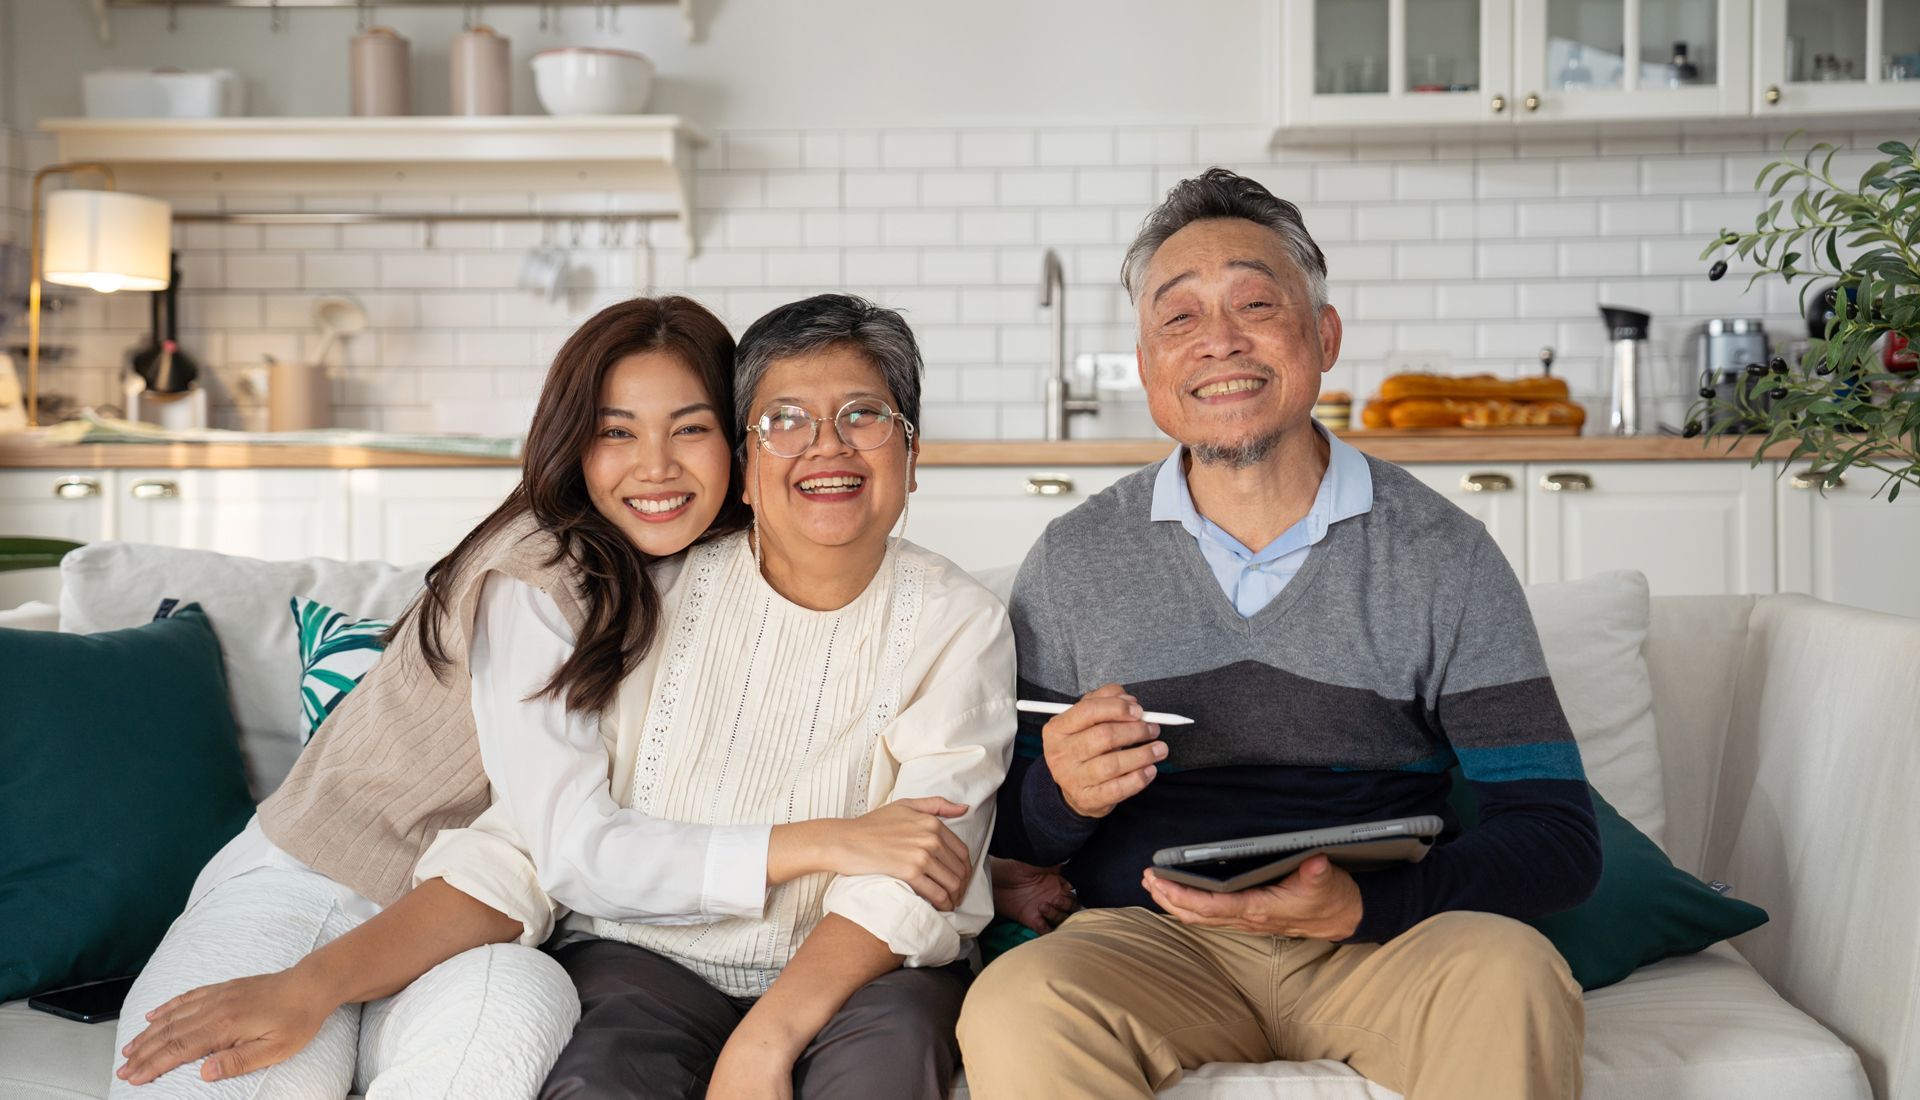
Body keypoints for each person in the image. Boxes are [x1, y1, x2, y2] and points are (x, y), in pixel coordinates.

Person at [958, 169, 1603, 1100]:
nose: (1219, 340)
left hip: (1385, 941)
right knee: (1018, 1001)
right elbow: (1010, 828)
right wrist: (1063, 794)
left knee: (1516, 975)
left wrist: (1369, 904)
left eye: (1256, 303)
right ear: (1146, 365)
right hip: (1153, 944)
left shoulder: (1443, 554)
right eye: (1178, 319)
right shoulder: (1074, 558)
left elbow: (1555, 835)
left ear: (1325, 337)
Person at [113, 295, 751, 1097]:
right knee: (220, 1074)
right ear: (572, 444)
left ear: (737, 438)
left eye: (689, 427)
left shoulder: (707, 575)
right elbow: (560, 845)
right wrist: (307, 985)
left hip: (468, 931)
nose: (656, 465)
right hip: (315, 893)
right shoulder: (539, 575)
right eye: (616, 430)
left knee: (516, 1016)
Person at [409, 293, 1016, 1100]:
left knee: (889, 1062)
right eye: (785, 421)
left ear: (911, 452)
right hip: (640, 960)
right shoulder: (647, 594)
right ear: (743, 460)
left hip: (862, 975)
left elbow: (916, 871)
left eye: (863, 415)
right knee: (599, 1076)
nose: (825, 448)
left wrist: (764, 1041)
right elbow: (555, 839)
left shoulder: (960, 620)